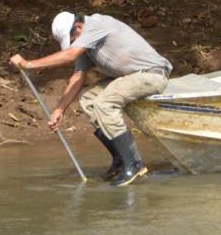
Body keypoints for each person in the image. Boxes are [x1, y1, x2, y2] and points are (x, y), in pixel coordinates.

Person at [9, 12, 172, 187]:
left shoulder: (96, 25)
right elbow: (78, 76)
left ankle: (134, 164)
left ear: (78, 27)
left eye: (72, 39)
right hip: (129, 77)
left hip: (152, 74)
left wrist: (29, 64)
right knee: (88, 98)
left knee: (105, 102)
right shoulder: (85, 43)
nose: (73, 43)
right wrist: (59, 109)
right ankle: (120, 158)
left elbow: (69, 56)